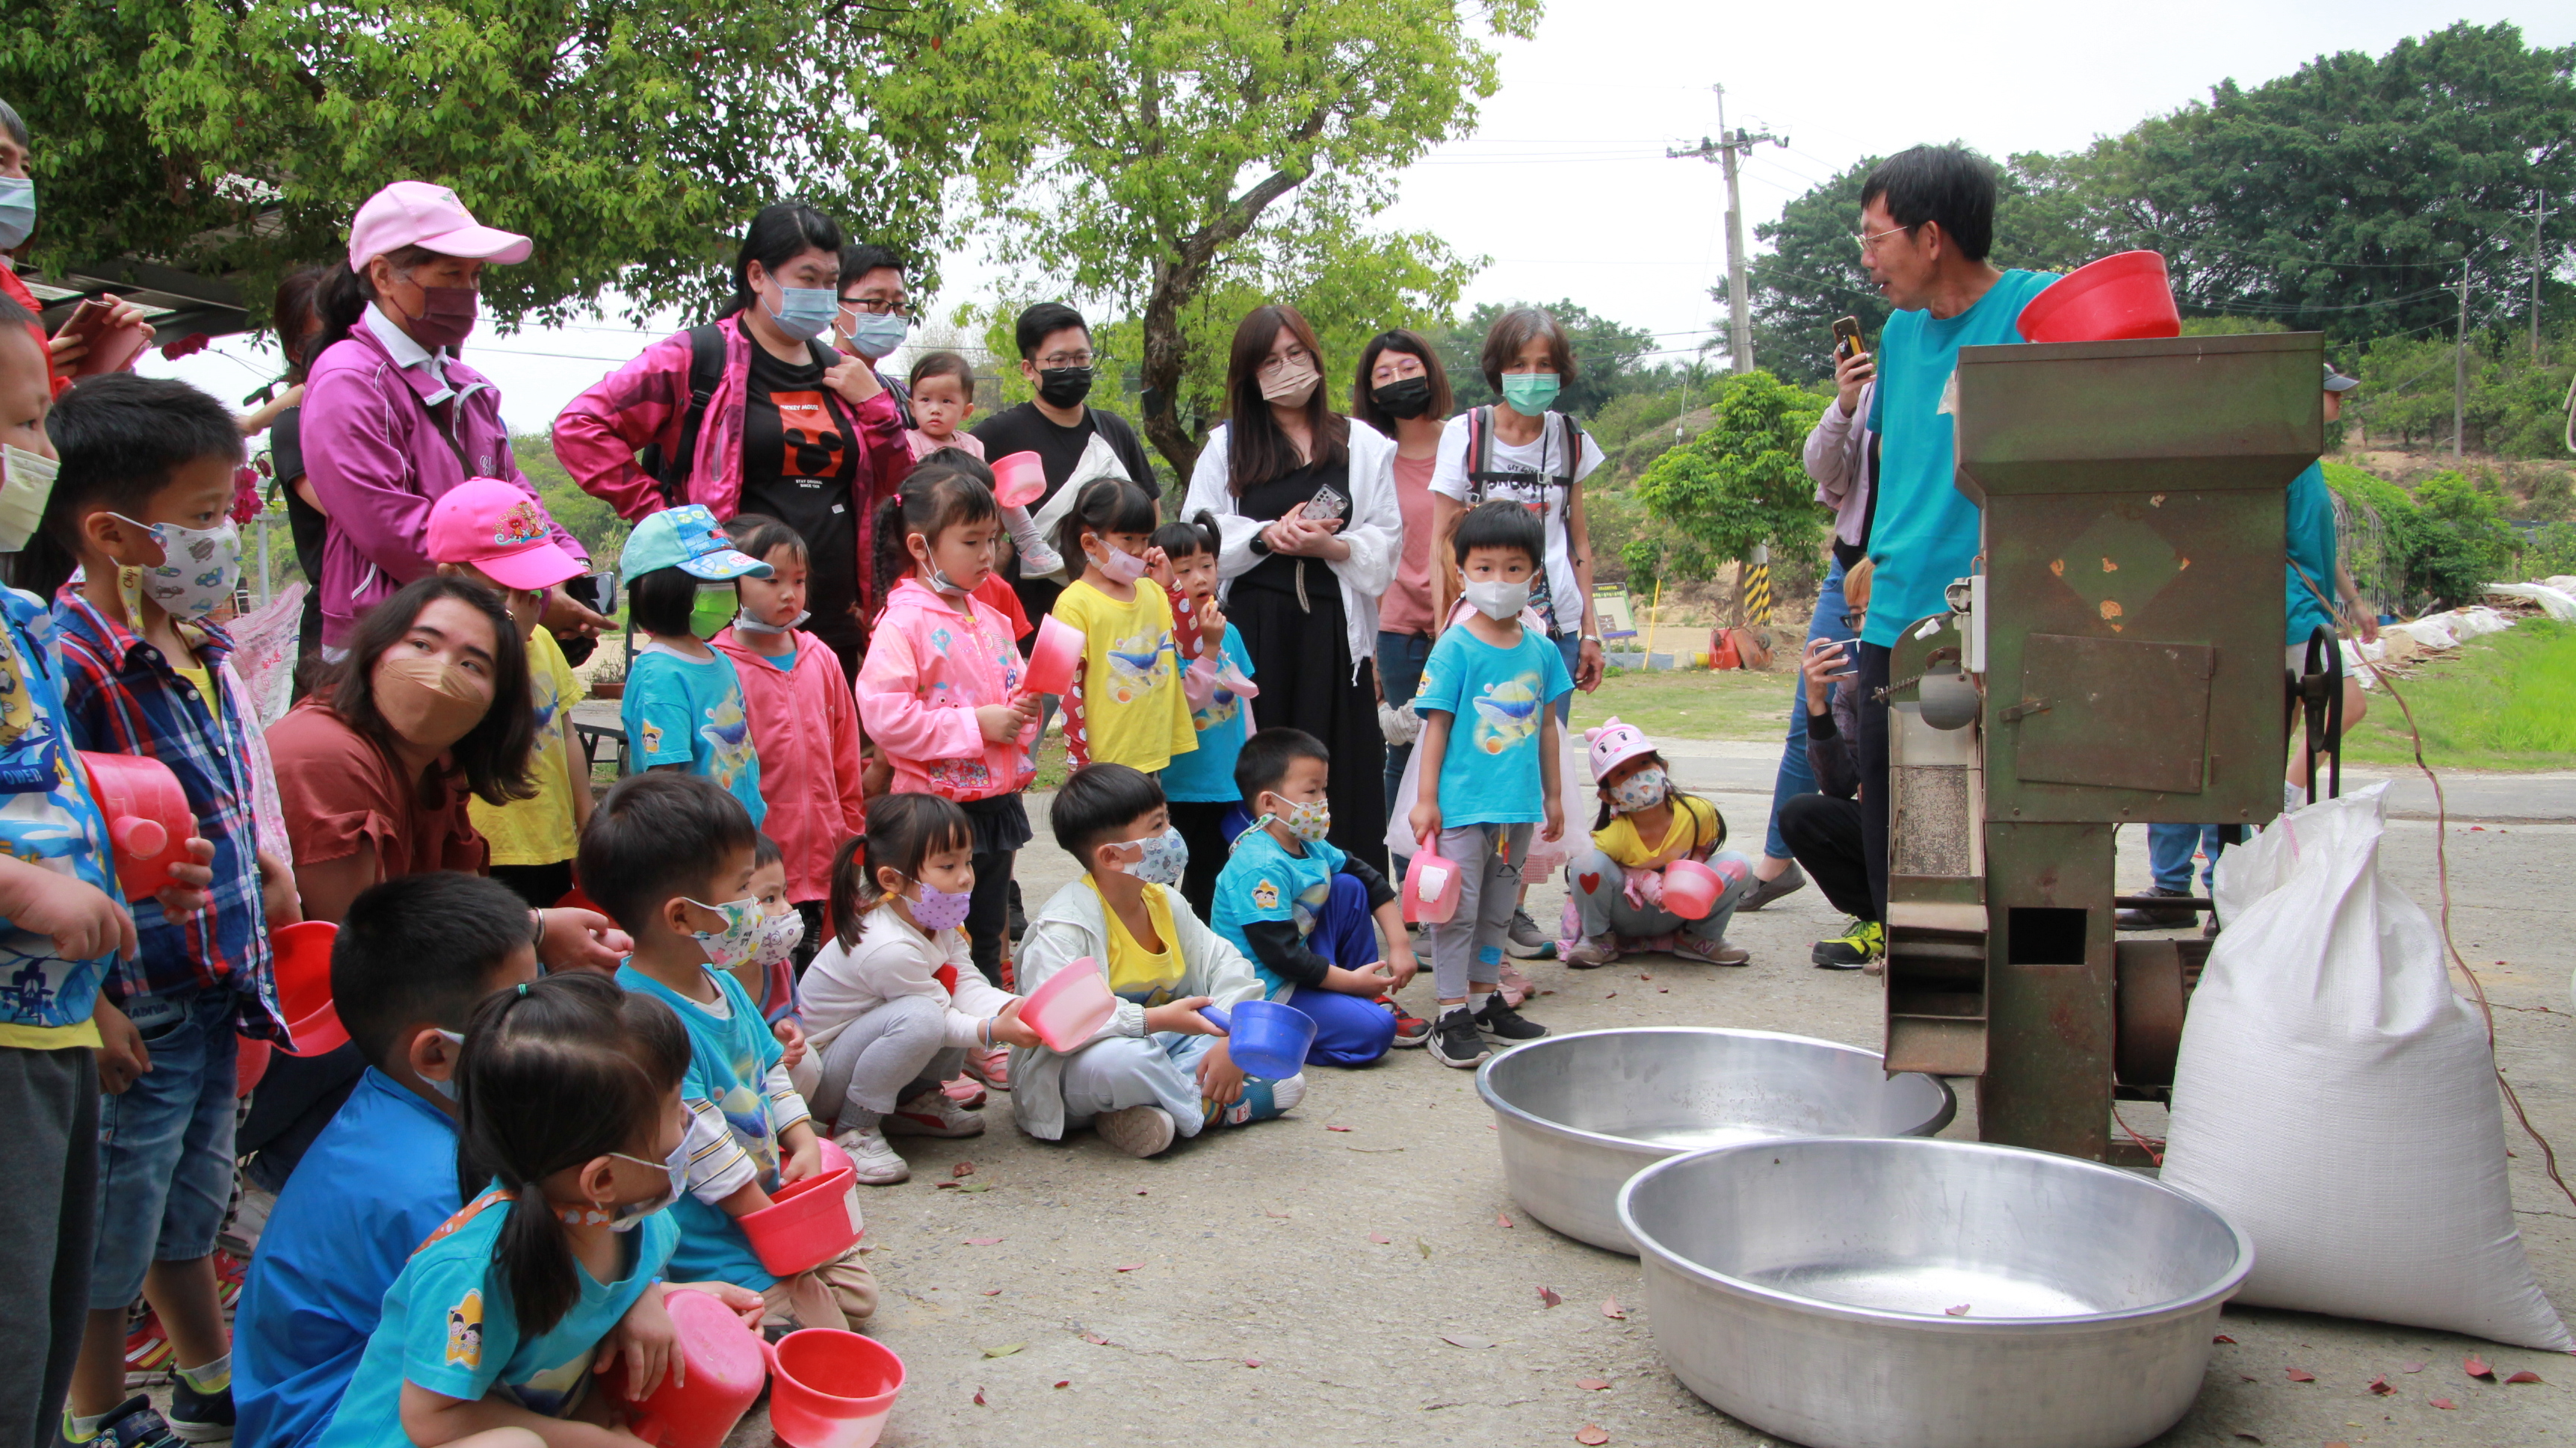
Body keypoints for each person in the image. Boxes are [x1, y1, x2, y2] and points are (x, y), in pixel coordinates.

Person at [40, 374, 304, 1447]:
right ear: (112, 531)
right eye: (203, 518)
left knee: (191, 1199)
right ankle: (93, 1406)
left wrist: (265, 865)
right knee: (116, 1210)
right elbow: (56, 836)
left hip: (208, 982)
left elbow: (227, 782)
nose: (225, 537)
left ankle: (206, 1375)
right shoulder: (70, 661)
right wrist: (91, 1002)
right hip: (133, 997)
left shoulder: (197, 639)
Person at [0, 299, 218, 1448]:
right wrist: (27, 890)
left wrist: (128, 870)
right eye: (27, 423)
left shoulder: (21, 625)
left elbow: (44, 792)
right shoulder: (64, 635)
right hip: (30, 1023)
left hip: (58, 1015)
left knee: (44, 1290)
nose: (39, 453)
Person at [250, 577, 627, 1192]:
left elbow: (456, 906)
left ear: (496, 701)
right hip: (279, 1043)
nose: (439, 671)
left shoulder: (433, 769)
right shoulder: (325, 755)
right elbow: (367, 951)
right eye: (422, 644)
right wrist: (531, 929)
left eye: (472, 664)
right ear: (376, 651)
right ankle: (277, 1195)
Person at [313, 972, 762, 1448]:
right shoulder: (473, 1274)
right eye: (676, 1111)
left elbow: (594, 1297)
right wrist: (591, 1441)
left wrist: (653, 1297)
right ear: (603, 1179)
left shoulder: (633, 1219)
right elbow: (434, 1419)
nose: (692, 1123)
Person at [231, 873, 543, 1448]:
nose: (549, 1026)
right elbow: (502, 1353)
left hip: (382, 1390)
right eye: (518, 1015)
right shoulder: (428, 1188)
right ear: (435, 1052)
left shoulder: (407, 1102)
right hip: (335, 1424)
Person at [555, 205, 913, 679]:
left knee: (828, 754)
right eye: (807, 278)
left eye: (831, 281)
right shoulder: (698, 358)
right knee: (731, 748)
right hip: (730, 620)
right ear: (758, 275)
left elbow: (898, 484)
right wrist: (666, 519)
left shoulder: (846, 374)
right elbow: (580, 427)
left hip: (835, 624)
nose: (822, 295)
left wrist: (875, 407)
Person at [581, 772, 877, 1333]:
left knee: (853, 1300)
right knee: (824, 1330)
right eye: (743, 890)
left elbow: (769, 1070)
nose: (756, 906)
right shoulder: (640, 1020)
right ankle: (698, 1306)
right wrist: (780, 1235)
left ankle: (778, 1299)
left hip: (761, 1205)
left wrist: (800, 1137)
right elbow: (700, 1147)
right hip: (708, 1233)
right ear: (681, 917)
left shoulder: (723, 982)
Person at [1851, 145, 2057, 929]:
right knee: (1903, 829)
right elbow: (1905, 459)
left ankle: (2012, 1006)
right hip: (1896, 610)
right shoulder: (1901, 335)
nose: (1869, 261)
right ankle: (1921, 994)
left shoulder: (2036, 312)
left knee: (2002, 819)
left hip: (1999, 615)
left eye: (1877, 239)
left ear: (1931, 238)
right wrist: (1873, 546)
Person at [2120, 362, 2379, 933]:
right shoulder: (2265, 457)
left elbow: (2311, 543)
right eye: (2327, 394)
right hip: (2273, 613)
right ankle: (2222, 876)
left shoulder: (2296, 463)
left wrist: (2352, 601)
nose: (2336, 405)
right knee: (2224, 752)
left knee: (2219, 752)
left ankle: (2217, 881)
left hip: (2287, 609)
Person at [300, 181, 602, 658]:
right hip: (393, 638)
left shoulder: (465, 385)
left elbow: (516, 498)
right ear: (383, 275)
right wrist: (534, 595)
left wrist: (566, 566)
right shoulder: (349, 380)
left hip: (473, 624)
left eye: (475, 276)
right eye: (450, 274)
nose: (467, 292)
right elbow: (393, 529)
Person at [1178, 305, 1397, 871]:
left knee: (1340, 770)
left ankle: (1347, 907)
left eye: (1295, 354)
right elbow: (1198, 538)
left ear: (1315, 356)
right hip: (1254, 635)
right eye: (1269, 361)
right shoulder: (1227, 447)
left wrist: (1332, 547)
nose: (1286, 368)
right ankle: (1252, 908)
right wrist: (1265, 537)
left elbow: (1386, 542)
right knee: (1260, 769)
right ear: (1248, 374)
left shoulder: (1362, 444)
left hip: (1331, 636)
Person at [1427, 306, 1607, 959]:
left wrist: (1589, 629)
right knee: (1475, 754)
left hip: (1550, 622)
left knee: (1536, 762)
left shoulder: (1570, 438)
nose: (1532, 378)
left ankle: (1514, 908)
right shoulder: (1466, 433)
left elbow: (1578, 540)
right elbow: (1443, 537)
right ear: (1497, 369)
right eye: (1519, 365)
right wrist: (1448, 622)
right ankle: (1461, 904)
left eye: (1544, 366)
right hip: (1479, 620)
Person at [1013, 764, 1302, 1157]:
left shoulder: (1165, 901)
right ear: (1112, 856)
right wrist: (1154, 1020)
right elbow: (1065, 1027)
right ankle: (1215, 1109)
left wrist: (1235, 1041)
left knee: (1261, 1048)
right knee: (1125, 1062)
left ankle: (1148, 1114)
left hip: (1164, 1047)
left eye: (1167, 819)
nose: (1172, 835)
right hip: (1082, 1067)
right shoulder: (1063, 929)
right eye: (1157, 827)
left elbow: (1228, 967)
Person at [858, 462, 1040, 994]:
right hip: (935, 810)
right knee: (935, 931)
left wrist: (1020, 711)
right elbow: (886, 718)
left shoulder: (993, 619)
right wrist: (976, 724)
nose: (988, 555)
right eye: (971, 542)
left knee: (988, 927)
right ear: (921, 547)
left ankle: (986, 1026)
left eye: (993, 540)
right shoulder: (903, 622)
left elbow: (1015, 695)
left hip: (994, 802)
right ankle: (944, 1035)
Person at [1404, 502, 1569, 1070]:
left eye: (1513, 568)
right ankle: (1450, 1013)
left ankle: (1482, 998)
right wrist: (1426, 801)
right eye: (1484, 568)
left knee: (1499, 907)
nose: (1498, 581)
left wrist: (1552, 795)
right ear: (1460, 572)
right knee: (1456, 911)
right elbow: (1436, 728)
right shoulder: (1454, 647)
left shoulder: (1542, 650)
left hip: (1517, 809)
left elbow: (1547, 727)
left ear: (1534, 576)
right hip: (1460, 808)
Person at [800, 796, 1040, 1184]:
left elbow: (967, 985)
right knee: (925, 1015)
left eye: (967, 861)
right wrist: (994, 1030)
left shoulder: (934, 919)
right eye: (947, 866)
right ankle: (853, 1129)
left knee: (940, 1001)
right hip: (827, 1080)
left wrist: (1021, 1008)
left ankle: (912, 1101)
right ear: (892, 880)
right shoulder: (887, 945)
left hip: (871, 1049)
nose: (965, 877)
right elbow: (940, 1019)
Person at [1746, 332, 1880, 912]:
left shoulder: (1955, 397)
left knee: (1890, 716)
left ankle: (1892, 877)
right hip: (1851, 564)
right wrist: (1846, 403)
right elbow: (1822, 470)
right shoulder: (1873, 396)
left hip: (1910, 573)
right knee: (1815, 707)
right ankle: (1777, 862)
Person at [424, 479, 594, 909]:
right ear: (451, 579)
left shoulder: (543, 642)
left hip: (553, 841)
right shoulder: (443, 661)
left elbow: (566, 732)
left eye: (536, 591)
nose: (525, 607)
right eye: (505, 594)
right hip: (487, 849)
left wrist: (585, 814)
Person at [1211, 729, 1424, 1065]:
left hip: (1302, 962)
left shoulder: (1307, 841)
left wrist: (1400, 946)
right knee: (1376, 1032)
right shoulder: (1259, 866)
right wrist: (1350, 984)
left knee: (1348, 885)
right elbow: (1280, 956)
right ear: (1269, 802)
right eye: (1312, 791)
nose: (1322, 800)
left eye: (1324, 788)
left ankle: (1369, 993)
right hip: (1266, 989)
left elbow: (1369, 879)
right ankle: (1278, 1037)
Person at [712, 513, 867, 937]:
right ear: (731, 582)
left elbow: (845, 756)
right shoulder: (717, 665)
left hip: (824, 859)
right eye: (771, 580)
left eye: (798, 581)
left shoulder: (821, 658)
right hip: (756, 867)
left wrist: (850, 832)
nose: (788, 594)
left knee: (819, 973)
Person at [971, 303, 1158, 634]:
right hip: (1036, 622)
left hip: (1116, 623)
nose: (1072, 368)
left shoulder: (1114, 430)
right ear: (1029, 369)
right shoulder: (998, 436)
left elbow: (1151, 514)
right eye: (1058, 361)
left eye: (1082, 358)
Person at [1353, 329, 1454, 873]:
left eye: (1407, 368)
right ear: (1369, 391)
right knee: (1404, 753)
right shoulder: (1369, 456)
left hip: (1466, 624)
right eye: (1382, 375)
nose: (1397, 382)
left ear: (1430, 372)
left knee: (1479, 753)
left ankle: (1489, 900)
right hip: (1396, 632)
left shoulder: (1464, 442)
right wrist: (1368, 647)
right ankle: (1410, 887)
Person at [619, 505, 772, 826]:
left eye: (728, 581)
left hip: (739, 834)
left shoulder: (719, 658)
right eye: (710, 582)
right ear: (661, 588)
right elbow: (665, 783)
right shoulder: (660, 674)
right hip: (697, 844)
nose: (727, 593)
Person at [1561, 718, 1753, 968]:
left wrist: (1687, 874)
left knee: (1738, 863)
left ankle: (1700, 937)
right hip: (1626, 915)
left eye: (1644, 763)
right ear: (1608, 795)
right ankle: (1598, 939)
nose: (1638, 776)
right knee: (1586, 862)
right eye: (1623, 773)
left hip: (1681, 910)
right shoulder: (1612, 837)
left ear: (1663, 767)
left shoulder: (1699, 812)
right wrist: (1640, 878)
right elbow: (1586, 871)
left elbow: (1703, 849)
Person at [1144, 513, 1255, 919]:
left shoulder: (1232, 632)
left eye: (1206, 566)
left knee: (1211, 878)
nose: (1199, 578)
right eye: (1184, 571)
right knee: (1160, 881)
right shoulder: (1162, 637)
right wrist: (1207, 648)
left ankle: (1204, 956)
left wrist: (1250, 762)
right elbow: (1185, 702)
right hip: (1178, 785)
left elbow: (1243, 701)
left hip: (1225, 783)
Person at [0, 103, 153, 392]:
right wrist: (30, 374)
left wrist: (103, 370)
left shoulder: (10, 285)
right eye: (0, 160)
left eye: (25, 166)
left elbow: (42, 425)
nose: (21, 179)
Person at [1778, 562, 1884, 971]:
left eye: (1871, 612)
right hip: (1878, 824)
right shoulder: (1853, 683)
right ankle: (1876, 920)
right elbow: (1838, 785)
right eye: (1855, 616)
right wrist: (1818, 704)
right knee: (1803, 815)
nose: (1861, 627)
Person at [1051, 476, 1193, 773]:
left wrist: (1173, 587)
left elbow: (1191, 649)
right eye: (1128, 539)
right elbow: (1067, 688)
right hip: (1109, 759)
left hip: (1154, 749)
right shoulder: (1072, 604)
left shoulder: (1155, 590)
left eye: (1145, 539)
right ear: (1090, 542)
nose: (1140, 550)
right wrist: (1079, 762)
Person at [246, 267, 333, 665]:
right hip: (342, 631)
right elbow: (356, 509)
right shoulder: (295, 426)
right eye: (330, 338)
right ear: (298, 351)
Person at [737, 835, 812, 1083]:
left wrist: (788, 1026)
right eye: (770, 899)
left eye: (784, 894)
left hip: (769, 1072)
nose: (787, 908)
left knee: (809, 1066)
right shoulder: (708, 975)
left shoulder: (778, 964)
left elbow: (793, 1009)